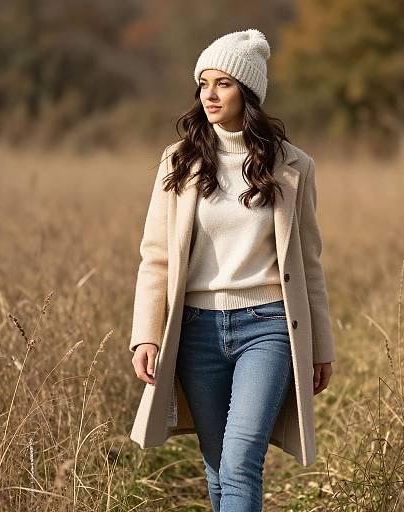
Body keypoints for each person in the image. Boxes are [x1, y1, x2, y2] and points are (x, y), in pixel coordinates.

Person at [130, 28, 335, 512]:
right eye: (203, 83)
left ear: (248, 92)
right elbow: (155, 256)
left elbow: (309, 262)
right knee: (219, 466)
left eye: (222, 83)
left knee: (242, 461)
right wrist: (146, 334)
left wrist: (320, 345)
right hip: (195, 331)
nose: (209, 94)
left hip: (267, 327)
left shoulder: (293, 166)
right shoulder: (177, 162)